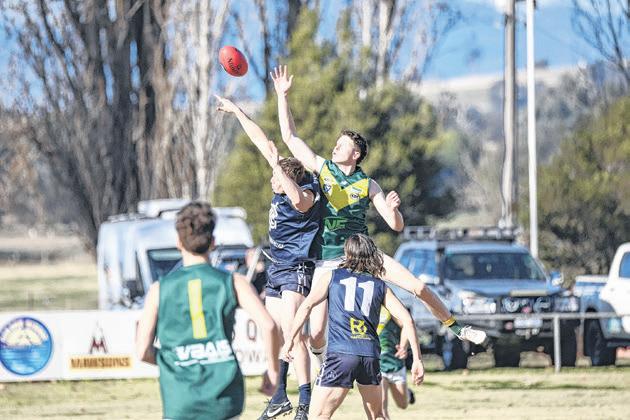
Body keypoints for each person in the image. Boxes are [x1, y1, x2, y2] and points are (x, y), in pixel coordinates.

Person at [270, 65, 487, 360]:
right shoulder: (323, 169)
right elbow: (290, 137)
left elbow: (395, 225)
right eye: (336, 144)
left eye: (341, 145)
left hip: (364, 253)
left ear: (356, 154)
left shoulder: (368, 184)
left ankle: (457, 327)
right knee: (317, 333)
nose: (334, 147)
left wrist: (394, 210)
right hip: (329, 257)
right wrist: (282, 96)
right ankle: (323, 366)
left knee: (418, 286)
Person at [216, 95, 322, 420]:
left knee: (295, 334)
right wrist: (237, 111)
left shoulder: (307, 191)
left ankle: (305, 404)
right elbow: (261, 140)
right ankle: (279, 396)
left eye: (276, 176)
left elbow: (298, 198)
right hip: (276, 267)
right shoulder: (281, 180)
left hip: (296, 268)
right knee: (277, 332)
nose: (271, 179)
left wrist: (280, 170)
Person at [135, 201, 280, 420]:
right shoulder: (234, 282)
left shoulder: (159, 289)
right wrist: (273, 370)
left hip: (180, 399)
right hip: (224, 397)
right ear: (213, 242)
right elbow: (268, 325)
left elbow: (142, 351)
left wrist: (174, 361)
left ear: (178, 242)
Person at [280, 234, 424, 420]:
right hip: (369, 356)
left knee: (319, 416)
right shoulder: (380, 285)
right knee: (377, 415)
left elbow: (306, 307)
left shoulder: (331, 277)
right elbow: (408, 320)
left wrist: (290, 340)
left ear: (347, 253)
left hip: (341, 355)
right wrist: (417, 359)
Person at [377, 306, 415, 420]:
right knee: (381, 408)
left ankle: (407, 393)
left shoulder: (389, 307)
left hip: (394, 362)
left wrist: (403, 346)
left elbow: (406, 325)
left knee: (403, 404)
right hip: (376, 364)